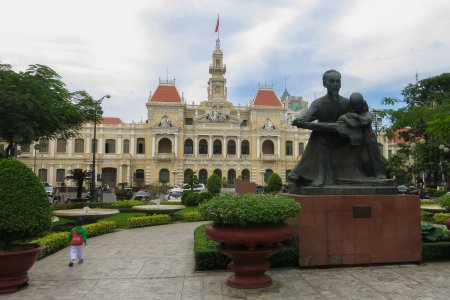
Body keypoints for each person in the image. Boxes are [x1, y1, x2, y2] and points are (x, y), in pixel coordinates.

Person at [289, 69, 349, 186]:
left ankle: (304, 174)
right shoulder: (319, 103)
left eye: (338, 81)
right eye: (332, 81)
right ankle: (315, 176)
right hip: (325, 139)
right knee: (320, 136)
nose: (335, 84)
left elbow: (361, 119)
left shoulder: (347, 103)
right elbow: (303, 118)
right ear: (325, 84)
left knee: (320, 136)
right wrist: (301, 119)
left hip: (344, 139)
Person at [337, 92, 387, 179]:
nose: (356, 107)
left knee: (376, 158)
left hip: (370, 140)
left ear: (362, 103)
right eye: (354, 105)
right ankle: (370, 176)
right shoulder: (350, 115)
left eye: (358, 105)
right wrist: (345, 118)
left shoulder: (367, 113)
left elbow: (365, 121)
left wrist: (355, 117)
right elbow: (344, 121)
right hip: (359, 141)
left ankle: (380, 174)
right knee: (365, 160)